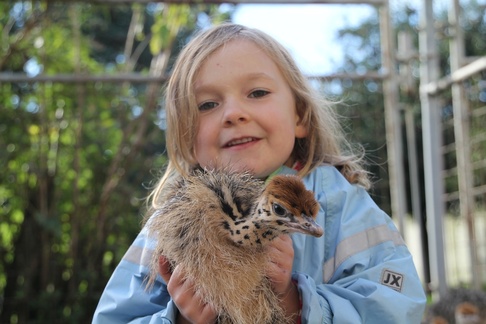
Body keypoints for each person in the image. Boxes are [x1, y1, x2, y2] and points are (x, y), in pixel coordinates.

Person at [93, 23, 426, 323]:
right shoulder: (169, 222)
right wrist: (179, 319)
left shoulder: (338, 201)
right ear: (187, 139)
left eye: (257, 93)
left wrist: (294, 302)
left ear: (299, 116)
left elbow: (397, 306)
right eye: (208, 104)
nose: (234, 113)